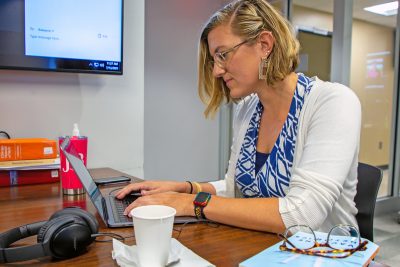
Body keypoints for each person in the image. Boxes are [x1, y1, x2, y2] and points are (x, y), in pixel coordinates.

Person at [117, 0, 361, 234]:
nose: (216, 71)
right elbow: (238, 190)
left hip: (328, 254)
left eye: (223, 54)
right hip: (269, 250)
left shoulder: (334, 103)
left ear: (264, 44)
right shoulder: (248, 108)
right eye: (214, 60)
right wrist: (186, 189)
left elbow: (300, 214)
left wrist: (190, 203)